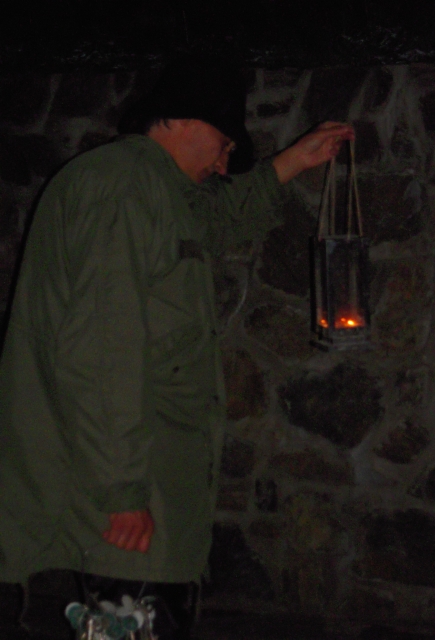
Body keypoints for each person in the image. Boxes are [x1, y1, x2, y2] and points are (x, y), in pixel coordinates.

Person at [0, 57, 354, 639]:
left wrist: (294, 160)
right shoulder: (122, 187)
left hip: (145, 489)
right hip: (127, 501)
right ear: (183, 119)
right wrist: (122, 490)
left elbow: (218, 218)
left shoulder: (154, 187)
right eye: (224, 144)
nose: (224, 163)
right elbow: (103, 349)